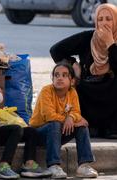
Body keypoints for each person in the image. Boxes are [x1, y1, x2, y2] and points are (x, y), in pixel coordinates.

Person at [50, 3, 117, 138]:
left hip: (111, 90)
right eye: (100, 19)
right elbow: (56, 50)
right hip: (89, 88)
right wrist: (73, 64)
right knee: (75, 85)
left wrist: (110, 43)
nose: (104, 23)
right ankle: (90, 126)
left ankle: (112, 128)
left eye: (109, 19)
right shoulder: (88, 38)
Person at [29, 61, 98, 179]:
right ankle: (53, 165)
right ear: (52, 78)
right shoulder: (46, 91)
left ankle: (84, 165)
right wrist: (68, 119)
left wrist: (71, 118)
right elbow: (49, 116)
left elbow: (76, 112)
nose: (59, 78)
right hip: (40, 133)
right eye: (56, 75)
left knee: (82, 126)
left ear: (72, 81)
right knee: (55, 123)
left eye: (64, 75)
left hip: (58, 133)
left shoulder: (72, 92)